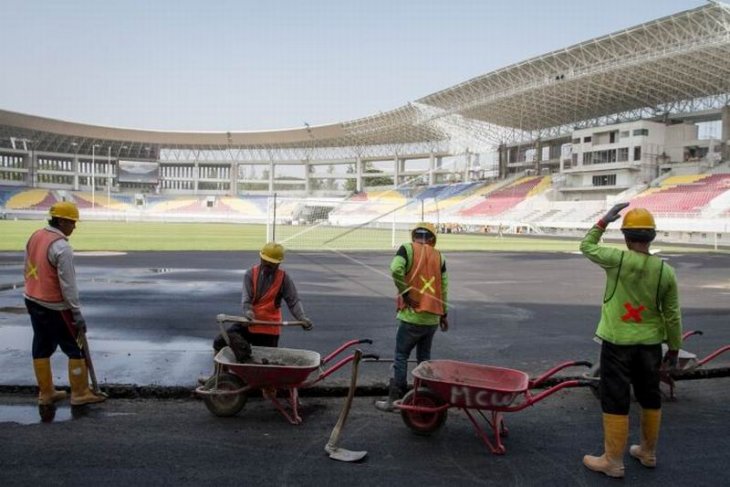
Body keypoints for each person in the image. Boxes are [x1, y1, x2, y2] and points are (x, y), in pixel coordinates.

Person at [580, 204, 682, 478]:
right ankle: (648, 453)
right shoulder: (665, 272)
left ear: (626, 237)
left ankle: (613, 461)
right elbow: (672, 315)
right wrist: (673, 348)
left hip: (617, 342)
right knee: (650, 396)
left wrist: (603, 221)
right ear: (653, 237)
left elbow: (586, 246)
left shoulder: (617, 259)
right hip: (650, 345)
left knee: (616, 398)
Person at [24, 201, 106, 406]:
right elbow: (68, 286)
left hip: (33, 300)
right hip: (56, 306)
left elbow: (27, 267)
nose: (74, 227)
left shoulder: (36, 236)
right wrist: (76, 313)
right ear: (61, 221)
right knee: (75, 348)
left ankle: (46, 393)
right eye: (71, 222)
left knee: (41, 345)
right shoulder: (62, 247)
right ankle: (80, 393)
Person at [375, 222, 448, 412]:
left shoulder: (406, 249)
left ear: (413, 235)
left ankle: (395, 400)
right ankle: (423, 398)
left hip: (411, 317)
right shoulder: (440, 256)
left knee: (401, 356)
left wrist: (406, 292)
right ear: (432, 238)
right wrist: (444, 314)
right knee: (424, 359)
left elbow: (395, 269)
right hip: (432, 319)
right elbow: (444, 288)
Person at [213, 242, 313, 353]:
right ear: (260, 258)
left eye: (271, 263)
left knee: (265, 358)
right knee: (220, 342)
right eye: (265, 261)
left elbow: (293, 301)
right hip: (250, 322)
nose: (267, 265)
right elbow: (246, 300)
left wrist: (302, 318)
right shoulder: (250, 274)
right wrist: (248, 312)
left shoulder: (284, 278)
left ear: (278, 264)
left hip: (269, 327)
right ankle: (235, 364)